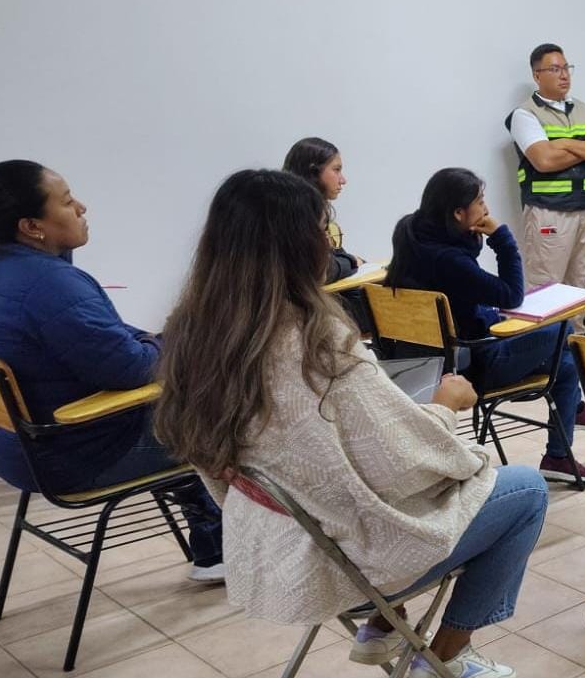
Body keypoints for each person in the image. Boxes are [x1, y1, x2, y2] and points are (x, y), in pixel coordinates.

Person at [152, 169, 547, 678]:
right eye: (322, 228)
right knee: (525, 491)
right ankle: (447, 655)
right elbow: (403, 461)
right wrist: (446, 410)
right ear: (300, 245)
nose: (328, 241)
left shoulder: (191, 338)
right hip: (345, 556)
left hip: (279, 543)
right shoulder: (317, 344)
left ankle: (384, 625)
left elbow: (320, 461)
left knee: (366, 481)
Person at [0, 160, 223, 582]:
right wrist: (176, 342)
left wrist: (158, 341)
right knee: (231, 420)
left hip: (14, 449)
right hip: (75, 456)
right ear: (32, 226)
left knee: (184, 405)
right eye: (69, 201)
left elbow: (111, 343)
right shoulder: (49, 286)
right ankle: (229, 547)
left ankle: (213, 543)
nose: (82, 207)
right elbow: (131, 369)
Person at [387, 168, 585, 485]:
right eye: (479, 200)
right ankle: (559, 451)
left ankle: (565, 437)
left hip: (430, 361)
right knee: (563, 332)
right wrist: (501, 238)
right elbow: (512, 295)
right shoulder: (451, 261)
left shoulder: (411, 233)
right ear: (458, 213)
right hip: (471, 368)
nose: (485, 207)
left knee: (565, 364)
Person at [504, 43, 585, 291]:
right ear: (537, 76)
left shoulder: (584, 109)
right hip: (549, 211)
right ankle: (550, 333)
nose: (564, 75)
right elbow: (544, 162)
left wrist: (563, 144)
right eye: (555, 69)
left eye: (566, 68)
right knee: (547, 289)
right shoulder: (524, 115)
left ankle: (576, 332)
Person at [282, 137, 360, 284]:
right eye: (336, 170)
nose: (343, 180)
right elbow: (318, 270)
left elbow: (337, 258)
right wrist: (353, 261)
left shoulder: (321, 216)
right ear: (313, 171)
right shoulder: (291, 218)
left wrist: (353, 261)